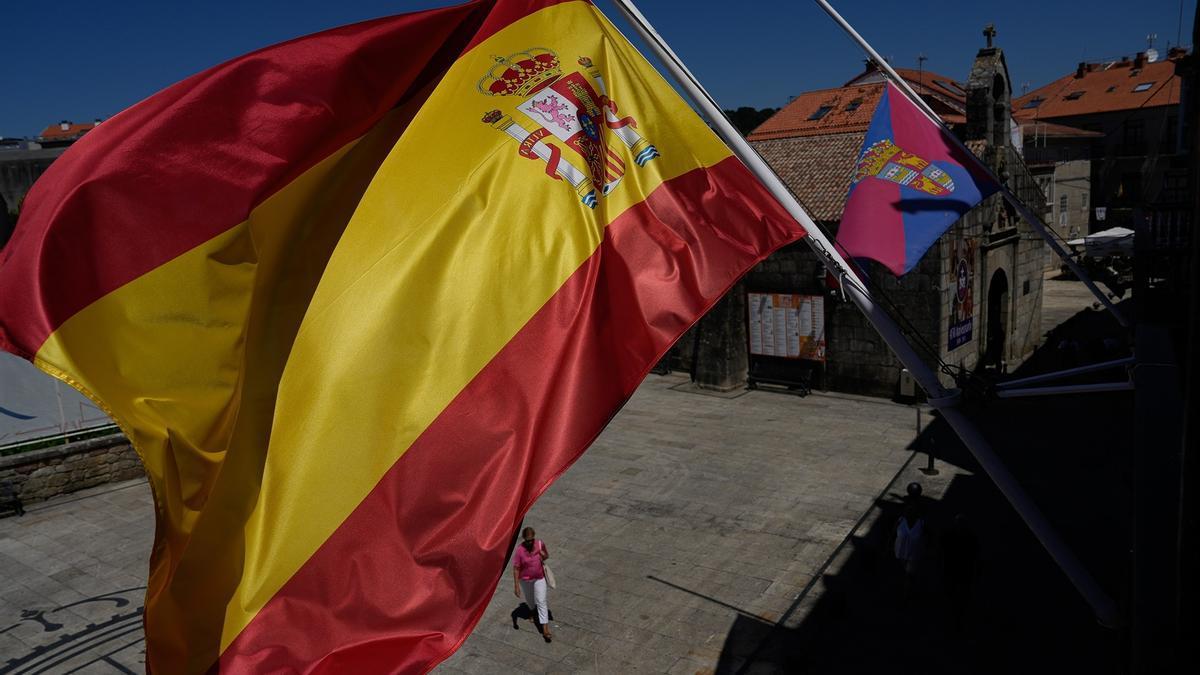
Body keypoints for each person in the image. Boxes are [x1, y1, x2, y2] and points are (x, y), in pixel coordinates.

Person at [512, 526, 553, 643]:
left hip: (539, 578)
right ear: (524, 539)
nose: (530, 542)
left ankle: (545, 628)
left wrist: (542, 554)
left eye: (531, 539)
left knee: (541, 601)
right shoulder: (520, 550)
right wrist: (516, 586)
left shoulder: (540, 544)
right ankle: (531, 610)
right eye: (527, 540)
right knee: (530, 599)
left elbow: (546, 556)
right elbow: (516, 568)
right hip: (525, 580)